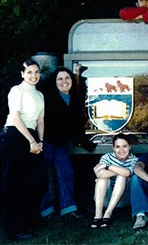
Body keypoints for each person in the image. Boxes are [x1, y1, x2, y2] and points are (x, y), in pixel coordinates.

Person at [0, 59, 48, 240]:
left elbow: (40, 120)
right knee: (13, 184)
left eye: (36, 72)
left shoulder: (40, 95)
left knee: (37, 181)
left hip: (32, 137)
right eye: (29, 72)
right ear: (22, 74)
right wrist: (31, 141)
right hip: (14, 136)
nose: (34, 76)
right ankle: (13, 229)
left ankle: (29, 220)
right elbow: (16, 117)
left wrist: (40, 141)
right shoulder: (16, 90)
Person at [39, 66, 88, 219]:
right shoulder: (48, 97)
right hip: (45, 142)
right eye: (60, 78)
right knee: (42, 175)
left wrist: (83, 140)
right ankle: (45, 210)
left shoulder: (74, 98)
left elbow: (74, 125)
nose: (64, 81)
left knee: (66, 173)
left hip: (60, 145)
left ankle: (68, 209)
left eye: (67, 78)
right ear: (55, 81)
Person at [91, 133, 138, 228]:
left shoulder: (134, 160)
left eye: (124, 146)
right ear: (113, 148)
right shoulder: (107, 157)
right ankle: (98, 214)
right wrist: (120, 171)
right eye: (117, 147)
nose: (121, 150)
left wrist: (108, 167)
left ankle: (108, 214)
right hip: (104, 198)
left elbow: (127, 173)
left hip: (122, 199)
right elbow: (99, 174)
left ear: (130, 147)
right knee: (102, 179)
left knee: (121, 177)